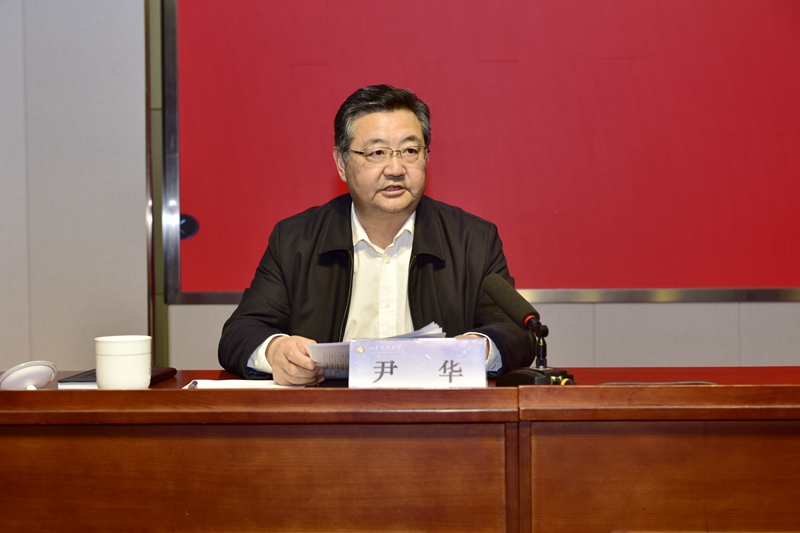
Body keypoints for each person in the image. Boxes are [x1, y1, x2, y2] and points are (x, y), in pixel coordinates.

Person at [218, 84, 534, 385]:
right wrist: (276, 351)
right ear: (341, 163)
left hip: (436, 413)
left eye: (410, 150)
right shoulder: (295, 240)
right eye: (377, 153)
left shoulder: (473, 240)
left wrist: (479, 347)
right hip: (328, 413)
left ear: (426, 156)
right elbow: (240, 332)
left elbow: (516, 332)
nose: (395, 168)